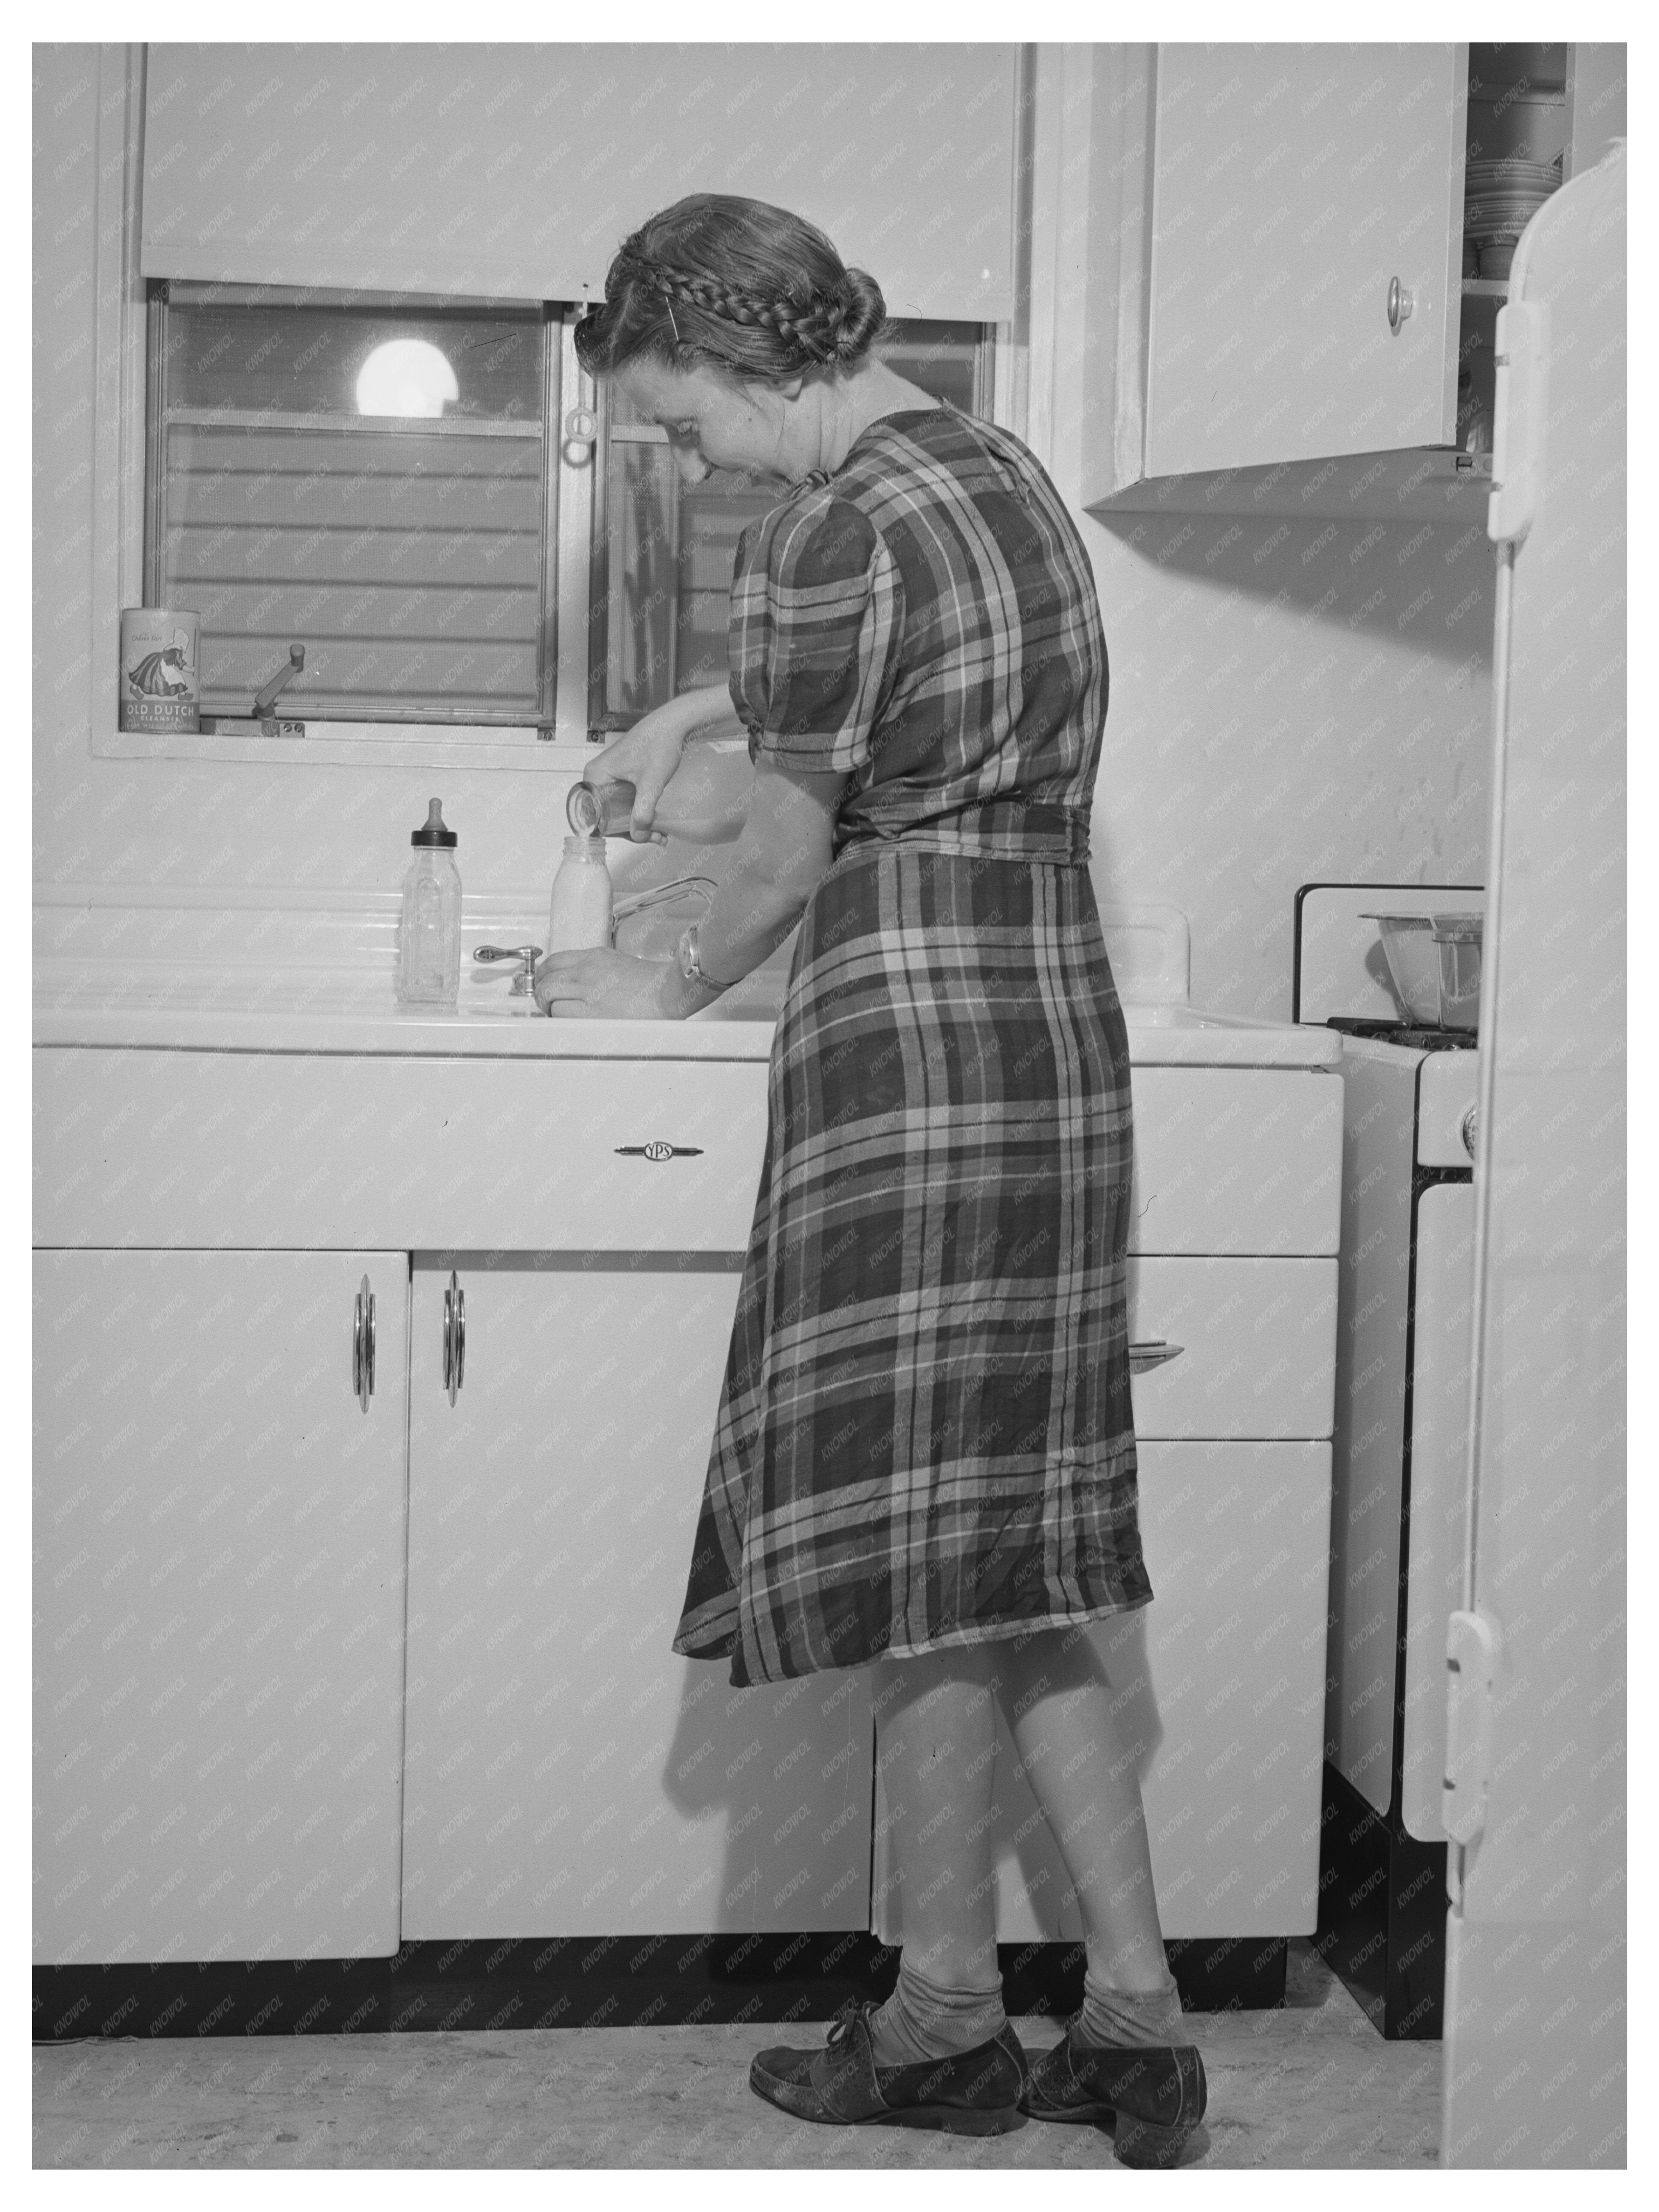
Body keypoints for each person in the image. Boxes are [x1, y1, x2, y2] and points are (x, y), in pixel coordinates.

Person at [537, 192, 1207, 2168]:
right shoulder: (1003, 475)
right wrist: (696, 722)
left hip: (910, 1042)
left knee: (930, 1553)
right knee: (1012, 1548)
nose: (688, 458)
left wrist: (652, 984)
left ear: (758, 359)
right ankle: (1138, 2024)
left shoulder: (826, 528)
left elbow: (779, 853)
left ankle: (943, 2024)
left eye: (682, 421)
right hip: (1051, 1034)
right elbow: (888, 730)